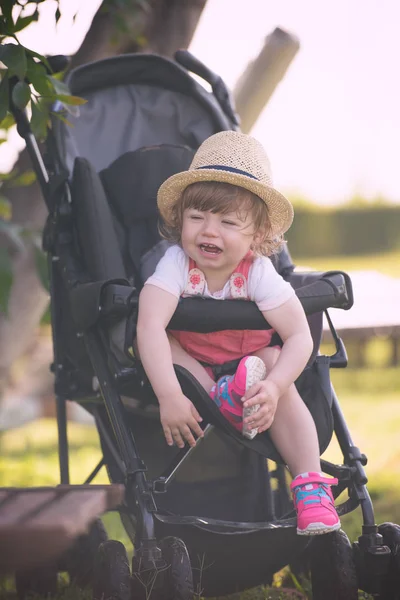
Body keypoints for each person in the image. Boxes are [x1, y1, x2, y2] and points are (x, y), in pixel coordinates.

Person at [137, 131, 340, 536]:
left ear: (258, 236)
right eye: (197, 218)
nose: (209, 232)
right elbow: (149, 325)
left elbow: (299, 335)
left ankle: (310, 486)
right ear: (181, 220)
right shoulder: (176, 264)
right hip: (195, 366)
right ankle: (223, 397)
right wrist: (169, 396)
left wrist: (278, 386)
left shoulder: (259, 273)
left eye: (228, 222)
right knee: (169, 346)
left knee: (270, 362)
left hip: (252, 363)